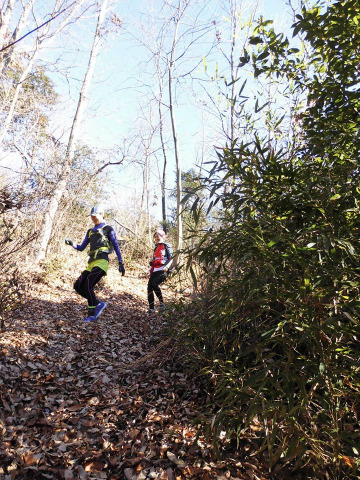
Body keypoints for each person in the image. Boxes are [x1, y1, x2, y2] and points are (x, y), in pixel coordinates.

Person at [65, 205, 125, 322]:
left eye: (95, 216)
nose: (93, 218)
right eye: (92, 216)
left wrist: (120, 262)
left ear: (102, 215)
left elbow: (116, 246)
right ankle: (98, 303)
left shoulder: (108, 229)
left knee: (88, 284)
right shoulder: (90, 232)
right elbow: (81, 247)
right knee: (78, 286)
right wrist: (72, 243)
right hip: (91, 263)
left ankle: (92, 315)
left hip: (102, 262)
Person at [147, 229, 173, 314]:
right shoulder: (156, 248)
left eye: (158, 236)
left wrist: (167, 266)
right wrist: (149, 271)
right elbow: (154, 260)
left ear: (162, 236)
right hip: (155, 269)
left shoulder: (167, 246)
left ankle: (162, 303)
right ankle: (151, 308)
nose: (157, 238)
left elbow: (171, 258)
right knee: (149, 287)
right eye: (155, 236)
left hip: (163, 269)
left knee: (154, 284)